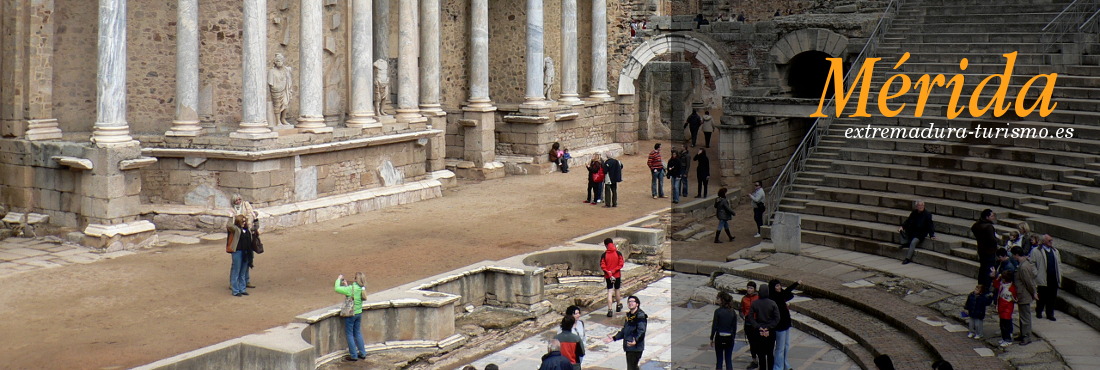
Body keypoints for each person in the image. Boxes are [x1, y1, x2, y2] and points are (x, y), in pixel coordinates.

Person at [604, 295, 648, 370]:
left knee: (632, 367)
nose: (630, 303)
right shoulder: (629, 315)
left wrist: (636, 340)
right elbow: (625, 330)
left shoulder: (640, 316)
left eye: (632, 301)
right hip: (629, 346)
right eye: (629, 302)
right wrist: (614, 338)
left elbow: (641, 331)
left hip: (635, 347)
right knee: (633, 367)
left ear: (637, 304)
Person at [335, 272, 367, 361]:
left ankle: (353, 355)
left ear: (356, 279)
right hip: (359, 313)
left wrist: (338, 279)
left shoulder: (351, 288)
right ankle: (363, 353)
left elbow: (337, 288)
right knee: (357, 333)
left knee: (349, 334)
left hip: (351, 314)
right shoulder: (362, 288)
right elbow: (352, 294)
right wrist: (346, 285)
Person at [769, 279, 801, 370]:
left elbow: (788, 293)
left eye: (779, 285)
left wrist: (796, 284)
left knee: (786, 345)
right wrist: (795, 284)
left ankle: (786, 365)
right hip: (779, 326)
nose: (779, 288)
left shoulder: (781, 294)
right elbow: (787, 293)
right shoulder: (774, 297)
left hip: (786, 323)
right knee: (780, 348)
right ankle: (778, 367)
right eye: (777, 286)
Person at [746, 284, 779, 370]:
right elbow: (777, 318)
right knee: (770, 353)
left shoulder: (755, 303)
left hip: (759, 330)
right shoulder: (772, 303)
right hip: (770, 331)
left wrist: (757, 326)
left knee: (761, 353)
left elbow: (750, 317)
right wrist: (769, 327)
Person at [1031, 234, 1062, 321]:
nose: (1051, 242)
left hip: (1053, 278)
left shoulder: (1055, 251)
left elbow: (1058, 264)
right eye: (1049, 240)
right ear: (1043, 241)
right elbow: (1032, 263)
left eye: (1051, 240)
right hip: (1043, 278)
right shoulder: (1036, 251)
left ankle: (1050, 314)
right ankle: (1039, 311)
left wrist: (1059, 275)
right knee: (1042, 297)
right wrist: (1036, 273)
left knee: (1052, 297)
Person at [1012, 246, 1038, 345]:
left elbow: (1028, 282)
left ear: (1017, 255)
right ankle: (1023, 334)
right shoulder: (1025, 264)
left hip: (1024, 294)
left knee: (1025, 317)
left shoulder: (1023, 267)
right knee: (1022, 316)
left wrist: (1034, 292)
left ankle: (1026, 337)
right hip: (1022, 294)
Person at [899, 200, 936, 264]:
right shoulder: (914, 212)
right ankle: (906, 243)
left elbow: (930, 225)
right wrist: (902, 226)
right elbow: (908, 220)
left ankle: (907, 258)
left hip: (920, 233)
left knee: (913, 242)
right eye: (919, 205)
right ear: (916, 206)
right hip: (913, 231)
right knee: (901, 231)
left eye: (922, 205)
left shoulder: (927, 214)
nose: (921, 207)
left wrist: (932, 235)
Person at [971, 209, 999, 291]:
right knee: (989, 269)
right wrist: (997, 240)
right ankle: (986, 287)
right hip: (989, 251)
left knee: (982, 268)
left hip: (981, 250)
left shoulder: (977, 224)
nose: (993, 217)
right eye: (992, 216)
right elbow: (992, 240)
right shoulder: (988, 227)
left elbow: (973, 228)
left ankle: (980, 285)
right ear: (987, 217)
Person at [225, 215, 252, 297]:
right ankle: (236, 290)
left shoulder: (247, 230)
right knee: (236, 271)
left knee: (243, 272)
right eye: (242, 221)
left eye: (245, 221)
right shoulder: (236, 229)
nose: (244, 223)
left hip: (246, 252)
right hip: (237, 252)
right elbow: (229, 225)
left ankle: (242, 289)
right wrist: (231, 216)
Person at [710, 291, 737, 370]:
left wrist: (712, 338)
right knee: (728, 360)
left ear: (722, 300)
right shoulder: (733, 312)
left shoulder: (718, 312)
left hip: (720, 337)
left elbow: (714, 326)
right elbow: (734, 328)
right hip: (729, 337)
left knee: (719, 360)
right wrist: (733, 338)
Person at [600, 238, 625, 317]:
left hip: (608, 276)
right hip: (617, 275)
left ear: (606, 245)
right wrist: (614, 271)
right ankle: (618, 305)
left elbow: (602, 266)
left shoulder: (604, 255)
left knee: (610, 292)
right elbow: (621, 264)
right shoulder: (618, 253)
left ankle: (610, 309)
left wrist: (609, 272)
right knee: (617, 290)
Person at [993, 270, 1017, 347]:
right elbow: (995, 284)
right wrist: (997, 278)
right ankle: (1004, 338)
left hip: (1006, 310)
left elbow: (1008, 300)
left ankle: (1007, 339)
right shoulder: (1004, 285)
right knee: (1002, 325)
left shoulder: (1010, 288)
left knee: (1005, 326)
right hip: (1003, 309)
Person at [740, 281, 761, 369]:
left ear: (754, 289)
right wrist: (743, 316)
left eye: (751, 288)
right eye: (748, 287)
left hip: (756, 323)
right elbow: (741, 310)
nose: (749, 289)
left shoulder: (758, 297)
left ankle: (761, 360)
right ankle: (754, 360)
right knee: (751, 343)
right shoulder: (744, 298)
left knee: (759, 343)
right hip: (748, 323)